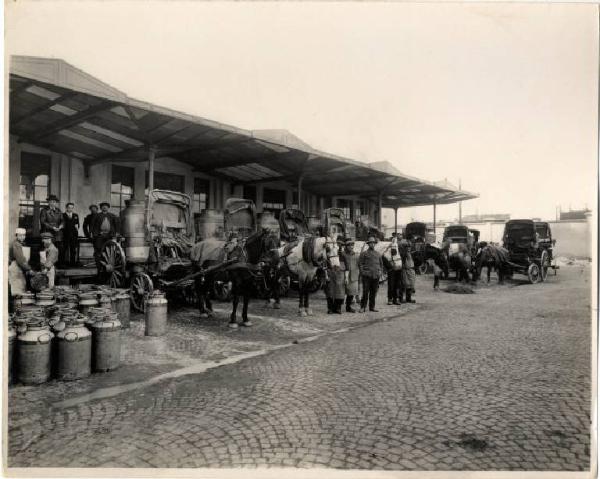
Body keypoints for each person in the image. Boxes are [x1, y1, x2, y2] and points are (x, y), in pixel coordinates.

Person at [91, 202, 120, 280]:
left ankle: (107, 266)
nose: (104, 208)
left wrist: (116, 233)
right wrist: (94, 234)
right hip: (100, 236)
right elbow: (92, 225)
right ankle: (99, 267)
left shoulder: (112, 216)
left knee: (109, 252)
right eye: (103, 207)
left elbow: (116, 225)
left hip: (109, 236)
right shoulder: (97, 215)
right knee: (99, 251)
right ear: (101, 208)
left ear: (108, 208)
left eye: (106, 207)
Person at [358, 236, 383, 313]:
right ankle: (363, 307)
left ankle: (372, 307)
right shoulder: (364, 254)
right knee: (365, 292)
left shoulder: (378, 254)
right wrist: (363, 272)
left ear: (375, 244)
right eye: (370, 243)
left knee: (373, 292)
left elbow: (381, 265)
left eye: (373, 243)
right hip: (367, 276)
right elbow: (360, 264)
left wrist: (380, 272)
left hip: (376, 276)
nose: (372, 244)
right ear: (368, 244)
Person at [39, 194, 63, 264]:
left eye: (54, 202)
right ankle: (45, 264)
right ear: (48, 202)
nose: (53, 203)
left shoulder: (59, 210)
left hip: (57, 233)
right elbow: (43, 222)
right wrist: (52, 227)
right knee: (47, 249)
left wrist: (61, 226)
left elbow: (62, 220)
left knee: (57, 249)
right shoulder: (44, 210)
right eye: (51, 201)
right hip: (47, 233)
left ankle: (56, 264)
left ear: (56, 203)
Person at [8, 227, 32, 296]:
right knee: (17, 288)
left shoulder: (21, 244)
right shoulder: (16, 244)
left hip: (20, 267)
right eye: (20, 235)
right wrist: (28, 269)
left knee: (20, 286)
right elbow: (20, 259)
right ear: (16, 235)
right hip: (16, 266)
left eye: (24, 235)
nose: (22, 237)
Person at [326, 236, 346, 314]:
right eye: (338, 243)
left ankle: (338, 308)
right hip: (330, 272)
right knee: (330, 291)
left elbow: (346, 265)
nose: (339, 245)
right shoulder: (329, 252)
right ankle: (330, 308)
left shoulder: (342, 254)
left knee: (340, 292)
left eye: (341, 244)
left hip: (340, 273)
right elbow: (326, 261)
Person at [340, 238, 360, 313]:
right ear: (346, 246)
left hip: (353, 276)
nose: (351, 247)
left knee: (351, 293)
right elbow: (341, 264)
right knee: (341, 291)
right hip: (344, 274)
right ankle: (338, 307)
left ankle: (348, 307)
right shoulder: (342, 254)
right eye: (349, 245)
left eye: (352, 245)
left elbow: (359, 264)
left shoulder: (356, 255)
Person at [62, 202, 80, 267]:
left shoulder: (75, 215)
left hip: (73, 235)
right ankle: (63, 263)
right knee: (64, 249)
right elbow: (62, 225)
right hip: (65, 235)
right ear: (66, 208)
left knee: (73, 250)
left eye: (72, 208)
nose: (70, 209)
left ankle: (73, 263)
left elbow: (77, 225)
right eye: (69, 207)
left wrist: (76, 230)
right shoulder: (62, 215)